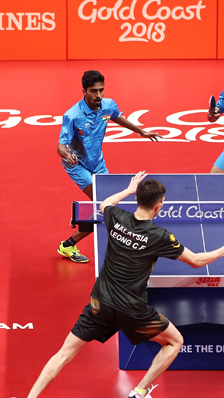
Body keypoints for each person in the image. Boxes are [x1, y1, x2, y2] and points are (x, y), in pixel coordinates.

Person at [3, 172, 224, 398]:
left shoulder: (116, 218)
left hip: (100, 304)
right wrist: (223, 250)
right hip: (133, 310)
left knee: (64, 353)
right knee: (174, 342)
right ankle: (140, 392)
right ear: (159, 205)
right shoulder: (159, 237)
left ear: (137, 199)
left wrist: (128, 189)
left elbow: (105, 203)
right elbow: (195, 261)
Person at [57, 70, 161, 264]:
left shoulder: (108, 104)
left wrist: (141, 132)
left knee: (107, 206)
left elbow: (117, 116)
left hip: (97, 162)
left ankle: (70, 240)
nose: (98, 95)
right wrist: (67, 155)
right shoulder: (72, 115)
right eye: (93, 91)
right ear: (84, 91)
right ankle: (87, 233)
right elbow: (60, 147)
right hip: (77, 165)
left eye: (101, 90)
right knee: (104, 205)